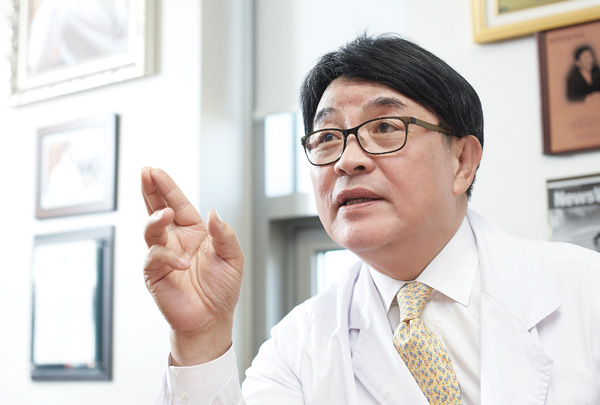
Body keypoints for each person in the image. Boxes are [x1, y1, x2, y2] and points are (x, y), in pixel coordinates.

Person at [142, 35, 600, 404]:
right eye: (326, 137)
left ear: (462, 162)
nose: (347, 159)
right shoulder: (298, 346)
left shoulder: (586, 288)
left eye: (384, 128)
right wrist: (200, 339)